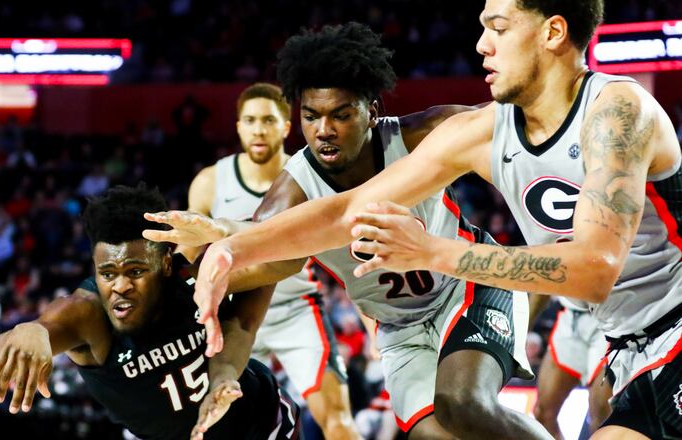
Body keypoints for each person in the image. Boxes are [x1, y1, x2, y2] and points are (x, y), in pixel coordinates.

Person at [191, 1, 682, 439]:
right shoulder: (482, 129)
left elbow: (595, 269)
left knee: (463, 402)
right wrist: (232, 246)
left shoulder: (616, 111)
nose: (481, 44)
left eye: (499, 27)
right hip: (625, 344)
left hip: (670, 327)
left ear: (552, 33)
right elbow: (345, 210)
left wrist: (431, 251)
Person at [146, 22, 550, 439]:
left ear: (371, 111)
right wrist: (202, 259)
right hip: (399, 329)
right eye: (311, 116)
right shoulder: (294, 190)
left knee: (464, 405)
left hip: (468, 286)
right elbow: (258, 258)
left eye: (340, 115)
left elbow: (512, 123)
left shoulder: (418, 136)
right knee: (434, 434)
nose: (324, 130)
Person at [0, 184, 300, 440]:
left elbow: (286, 255)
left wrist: (227, 232)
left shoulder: (195, 275)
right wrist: (30, 331)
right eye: (107, 273)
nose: (120, 286)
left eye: (135, 272)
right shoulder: (86, 314)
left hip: (261, 424)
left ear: (164, 263)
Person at [184, 82, 358, 439]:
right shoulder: (210, 181)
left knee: (339, 421)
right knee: (213, 420)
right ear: (237, 127)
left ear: (286, 126)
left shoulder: (309, 174)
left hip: (296, 307)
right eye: (249, 120)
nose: (258, 129)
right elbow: (189, 260)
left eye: (268, 120)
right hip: (232, 312)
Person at [529, 295, 612, 438]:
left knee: (601, 416)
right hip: (570, 317)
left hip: (613, 318)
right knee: (542, 412)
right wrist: (524, 327)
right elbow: (546, 276)